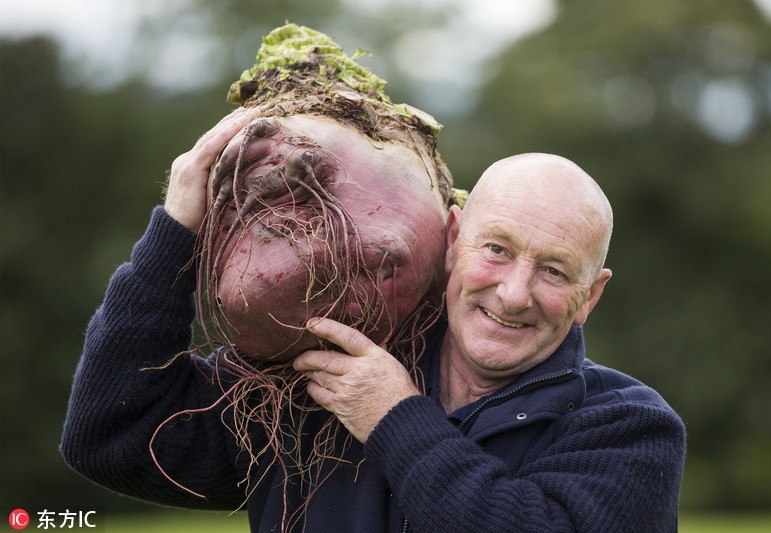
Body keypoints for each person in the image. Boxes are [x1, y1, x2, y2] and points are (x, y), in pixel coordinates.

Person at [61, 108, 686, 532]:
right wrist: (175, 233)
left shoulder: (629, 429)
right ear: (452, 238)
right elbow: (110, 435)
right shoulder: (318, 381)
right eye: (495, 250)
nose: (515, 293)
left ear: (590, 295)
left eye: (555, 271)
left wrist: (394, 418)